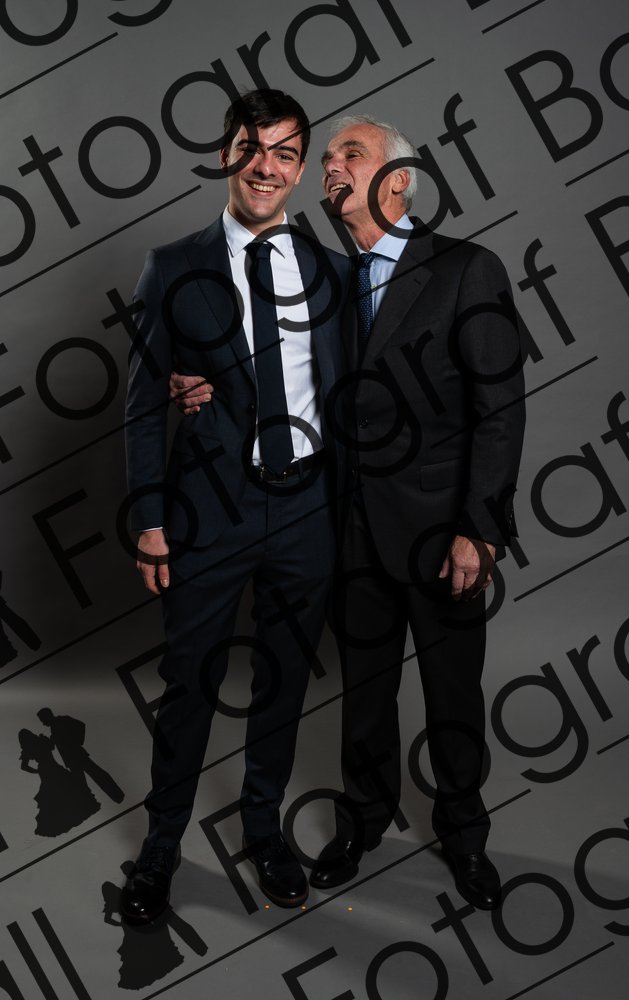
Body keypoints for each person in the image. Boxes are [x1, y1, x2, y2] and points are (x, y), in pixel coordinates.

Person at [171, 114, 525, 910]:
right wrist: (185, 380)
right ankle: (362, 822)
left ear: (398, 180)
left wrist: (479, 529)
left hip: (442, 532)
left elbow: (500, 410)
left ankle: (465, 835)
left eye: (349, 155)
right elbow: (272, 365)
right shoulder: (326, 277)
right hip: (347, 531)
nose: (330, 166)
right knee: (364, 693)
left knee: (453, 693)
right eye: (326, 157)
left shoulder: (467, 270)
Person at [121, 89, 351, 923]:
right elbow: (144, 405)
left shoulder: (331, 271)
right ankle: (160, 848)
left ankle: (263, 829)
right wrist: (150, 521)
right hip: (209, 511)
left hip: (308, 509)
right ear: (226, 155)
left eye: (285, 153)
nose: (266, 166)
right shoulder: (171, 265)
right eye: (252, 148)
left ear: (300, 169)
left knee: (284, 678)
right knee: (190, 681)